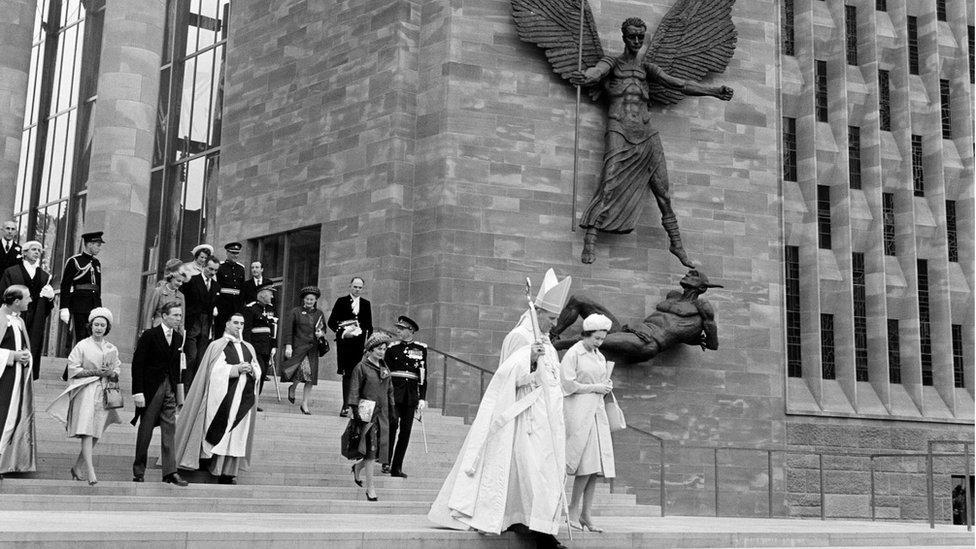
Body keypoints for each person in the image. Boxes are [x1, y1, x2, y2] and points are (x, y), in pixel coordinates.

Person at [569, 18, 734, 267]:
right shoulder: (611, 63)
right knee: (609, 182)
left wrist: (712, 91)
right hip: (619, 129)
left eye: (640, 37)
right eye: (632, 37)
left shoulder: (648, 69)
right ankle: (590, 239)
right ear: (624, 37)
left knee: (663, 191)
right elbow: (596, 73)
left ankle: (676, 244)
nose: (636, 41)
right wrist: (586, 77)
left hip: (646, 133)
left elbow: (679, 84)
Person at [428, 269, 572, 549]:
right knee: (528, 472)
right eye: (552, 318)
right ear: (538, 311)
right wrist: (529, 360)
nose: (554, 325)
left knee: (540, 473)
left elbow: (552, 381)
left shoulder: (548, 343)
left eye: (556, 320)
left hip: (546, 421)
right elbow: (505, 377)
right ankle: (534, 529)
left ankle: (536, 523)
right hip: (523, 418)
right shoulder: (520, 336)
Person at [550, 269, 721, 361]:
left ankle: (551, 347)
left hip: (648, 343)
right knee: (579, 299)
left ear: (702, 288)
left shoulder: (702, 305)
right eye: (689, 272)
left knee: (593, 339)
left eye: (694, 275)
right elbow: (680, 329)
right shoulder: (673, 296)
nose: (688, 274)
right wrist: (692, 338)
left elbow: (712, 343)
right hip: (630, 331)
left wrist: (699, 338)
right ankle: (552, 334)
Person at [175, 312, 259, 485]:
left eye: (242, 323)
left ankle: (228, 472)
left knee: (236, 433)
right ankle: (210, 465)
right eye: (235, 322)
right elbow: (215, 371)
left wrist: (252, 370)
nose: (239, 326)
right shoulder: (217, 345)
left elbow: (257, 368)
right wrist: (235, 369)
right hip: (222, 396)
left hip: (243, 397)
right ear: (227, 324)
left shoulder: (249, 347)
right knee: (217, 427)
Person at [46, 307, 122, 486]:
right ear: (91, 325)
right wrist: (95, 372)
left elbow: (117, 370)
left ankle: (77, 467)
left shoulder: (111, 348)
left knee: (96, 431)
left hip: (103, 392)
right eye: (96, 324)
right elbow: (73, 368)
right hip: (86, 390)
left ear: (107, 327)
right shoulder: (82, 345)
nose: (99, 328)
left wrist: (111, 372)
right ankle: (90, 470)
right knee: (87, 430)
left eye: (102, 325)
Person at [560, 313, 615, 532]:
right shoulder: (574, 353)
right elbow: (567, 384)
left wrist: (605, 385)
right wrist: (595, 388)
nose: (599, 342)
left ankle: (585, 513)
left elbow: (598, 381)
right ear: (586, 334)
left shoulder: (599, 356)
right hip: (578, 411)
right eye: (596, 338)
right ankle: (574, 510)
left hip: (595, 411)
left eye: (602, 339)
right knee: (586, 462)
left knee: (595, 466)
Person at [130, 301, 188, 486]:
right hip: (151, 389)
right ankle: (139, 471)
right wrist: (137, 391)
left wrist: (179, 393)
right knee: (145, 430)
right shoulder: (149, 335)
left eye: (180, 315)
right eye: (175, 315)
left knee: (169, 430)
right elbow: (137, 364)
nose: (179, 318)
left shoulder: (179, 338)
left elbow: (178, 367)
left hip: (169, 388)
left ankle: (170, 472)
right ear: (164, 316)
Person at [348, 332, 395, 502]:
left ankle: (357, 467)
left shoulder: (385, 369)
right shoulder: (361, 367)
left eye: (384, 349)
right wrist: (354, 408)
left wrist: (393, 409)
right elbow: (354, 388)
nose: (382, 352)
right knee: (370, 451)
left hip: (382, 414)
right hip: (366, 412)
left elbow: (389, 390)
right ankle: (371, 488)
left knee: (375, 452)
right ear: (370, 349)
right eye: (378, 349)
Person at [0, 240, 55, 379]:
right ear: (24, 252)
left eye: (39, 250)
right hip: (15, 315)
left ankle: (29, 373)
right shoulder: (11, 272)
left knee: (33, 342)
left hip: (36, 316)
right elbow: (4, 294)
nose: (37, 252)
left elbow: (48, 306)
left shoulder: (44, 276)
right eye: (33, 249)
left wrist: (50, 298)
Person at [382, 315, 427, 477]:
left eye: (402, 329)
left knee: (406, 430)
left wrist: (422, 397)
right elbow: (385, 371)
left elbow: (422, 374)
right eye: (398, 328)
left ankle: (397, 467)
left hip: (410, 395)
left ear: (411, 330)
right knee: (392, 425)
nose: (398, 331)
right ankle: (386, 460)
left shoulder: (421, 349)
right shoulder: (392, 348)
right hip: (394, 392)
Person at [0, 285, 36, 477]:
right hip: (4, 378)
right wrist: (13, 355)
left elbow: (24, 347)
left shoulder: (19, 321)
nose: (30, 300)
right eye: (27, 297)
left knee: (11, 418)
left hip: (17, 379)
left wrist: (25, 355)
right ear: (16, 301)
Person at [327, 277, 373, 416]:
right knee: (347, 374)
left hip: (360, 345)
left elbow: (369, 326)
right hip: (345, 344)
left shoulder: (366, 304)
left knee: (360, 374)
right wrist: (342, 333)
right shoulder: (341, 301)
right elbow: (331, 322)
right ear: (350, 286)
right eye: (355, 287)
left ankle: (358, 405)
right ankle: (345, 405)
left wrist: (368, 344)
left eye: (360, 287)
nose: (357, 289)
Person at [280, 286, 326, 415]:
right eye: (307, 299)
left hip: (313, 348)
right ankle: (293, 387)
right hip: (299, 347)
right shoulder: (296, 311)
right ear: (303, 299)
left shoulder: (319, 313)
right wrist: (288, 346)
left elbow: (324, 329)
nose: (309, 301)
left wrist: (320, 333)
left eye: (312, 299)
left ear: (316, 300)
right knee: (302, 371)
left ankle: (305, 403)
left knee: (310, 377)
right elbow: (289, 330)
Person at [59, 231, 104, 347]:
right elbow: (65, 285)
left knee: (92, 340)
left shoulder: (96, 262)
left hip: (93, 306)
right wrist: (64, 307)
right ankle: (73, 365)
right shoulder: (74, 261)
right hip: (79, 305)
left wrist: (99, 307)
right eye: (98, 245)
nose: (99, 248)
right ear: (89, 244)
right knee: (80, 339)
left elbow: (98, 288)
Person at [182, 256, 220, 386]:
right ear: (204, 266)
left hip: (206, 326)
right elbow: (183, 301)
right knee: (191, 357)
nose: (213, 272)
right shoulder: (192, 281)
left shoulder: (215, 286)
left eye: (215, 270)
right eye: (210, 269)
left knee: (201, 359)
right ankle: (185, 389)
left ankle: (195, 389)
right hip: (192, 323)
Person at [243, 285, 278, 406]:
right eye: (270, 293)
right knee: (259, 372)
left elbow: (272, 329)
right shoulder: (250, 308)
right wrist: (247, 348)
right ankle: (249, 400)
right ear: (262, 294)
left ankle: (255, 400)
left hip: (266, 348)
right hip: (255, 348)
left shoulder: (269, 309)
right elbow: (246, 331)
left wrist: (274, 346)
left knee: (262, 375)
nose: (272, 296)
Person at [142, 258, 186, 330]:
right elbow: (149, 314)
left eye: (182, 282)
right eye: (178, 281)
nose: (180, 284)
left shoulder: (181, 296)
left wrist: (181, 335)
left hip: (173, 331)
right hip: (159, 329)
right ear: (171, 277)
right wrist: (147, 331)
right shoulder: (159, 291)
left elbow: (181, 320)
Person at [214, 242, 246, 337]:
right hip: (223, 304)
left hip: (237, 304)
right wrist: (215, 304)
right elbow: (216, 286)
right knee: (221, 330)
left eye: (237, 253)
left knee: (236, 331)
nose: (235, 255)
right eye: (232, 253)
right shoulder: (220, 267)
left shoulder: (241, 268)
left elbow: (242, 288)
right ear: (227, 253)